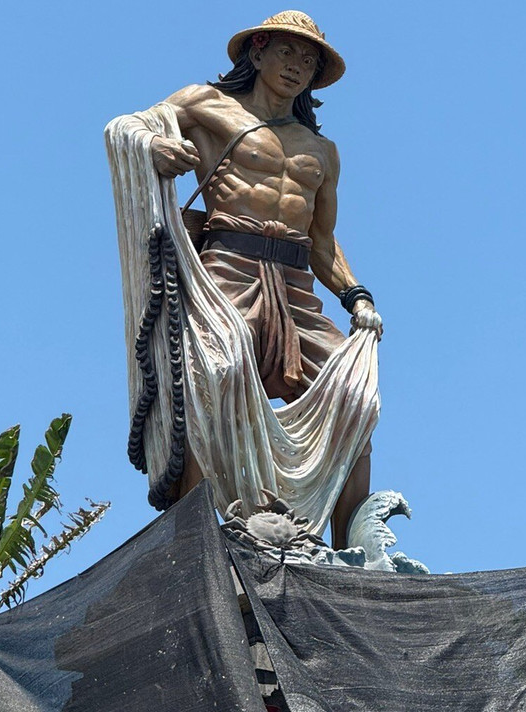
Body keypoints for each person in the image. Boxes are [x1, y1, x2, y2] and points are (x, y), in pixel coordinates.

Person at [146, 11, 381, 548]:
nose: (298, 66)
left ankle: (352, 555)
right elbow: (133, 127)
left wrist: (356, 295)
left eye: (310, 60)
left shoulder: (322, 151)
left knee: (357, 398)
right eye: (288, 53)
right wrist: (153, 148)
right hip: (227, 267)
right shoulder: (205, 105)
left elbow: (322, 243)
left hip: (296, 284)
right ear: (257, 52)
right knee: (217, 372)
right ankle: (199, 539)